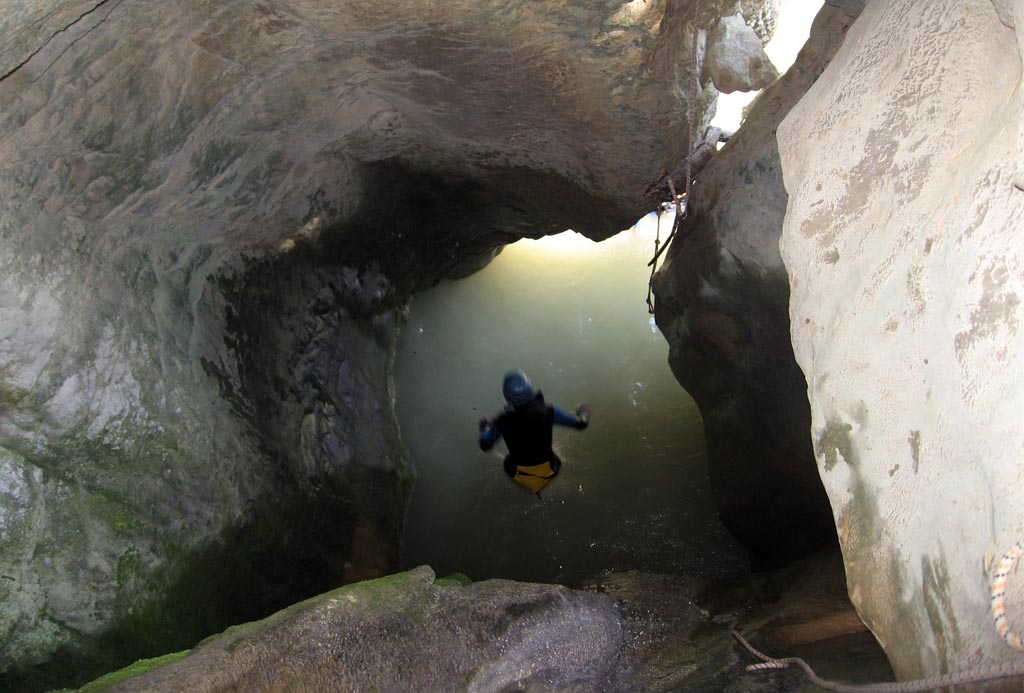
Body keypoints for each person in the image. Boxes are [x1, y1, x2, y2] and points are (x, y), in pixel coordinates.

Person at [478, 369, 591, 495]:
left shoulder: (501, 420)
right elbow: (581, 424)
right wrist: (583, 411)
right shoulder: (548, 411)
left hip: (518, 475)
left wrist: (485, 428)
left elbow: (484, 445)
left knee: (507, 461)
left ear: (507, 395)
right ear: (530, 389)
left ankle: (528, 486)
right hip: (552, 470)